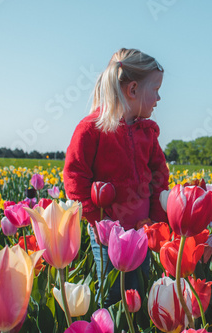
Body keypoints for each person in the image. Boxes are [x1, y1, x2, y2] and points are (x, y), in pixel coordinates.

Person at [63, 48, 169, 306]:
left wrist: (155, 221)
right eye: (155, 89)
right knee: (112, 295)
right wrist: (98, 222)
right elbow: (74, 177)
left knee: (139, 293)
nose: (159, 97)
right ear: (133, 90)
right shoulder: (92, 129)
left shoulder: (148, 132)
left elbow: (159, 177)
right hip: (107, 235)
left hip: (141, 230)